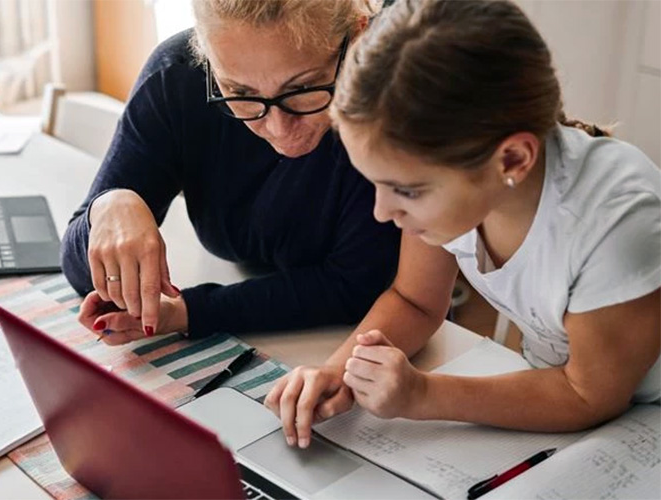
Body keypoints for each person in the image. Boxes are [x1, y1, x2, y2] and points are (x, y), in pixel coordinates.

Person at [265, 0, 661, 449]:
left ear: (512, 159)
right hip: (565, 392)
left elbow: (587, 394)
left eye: (407, 191)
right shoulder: (461, 190)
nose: (381, 212)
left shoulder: (616, 224)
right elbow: (414, 301)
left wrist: (423, 395)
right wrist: (337, 372)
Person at [63, 0, 401, 344]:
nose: (279, 129)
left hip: (381, 335)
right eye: (240, 92)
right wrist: (109, 206)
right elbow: (79, 272)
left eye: (302, 89)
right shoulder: (177, 78)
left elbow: (354, 285)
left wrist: (192, 312)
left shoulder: (389, 95)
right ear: (205, 55)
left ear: (358, 33)